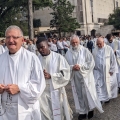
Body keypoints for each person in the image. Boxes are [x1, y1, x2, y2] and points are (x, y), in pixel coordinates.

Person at [0, 25, 46, 120]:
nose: (10, 40)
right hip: (5, 111)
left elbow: (39, 84)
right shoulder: (1, 58)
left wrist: (19, 88)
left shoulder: (31, 58)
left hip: (25, 109)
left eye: (15, 37)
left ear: (22, 40)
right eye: (8, 37)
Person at [65, 35, 103, 120]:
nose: (74, 44)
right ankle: (82, 111)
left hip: (86, 76)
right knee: (79, 94)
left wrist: (81, 67)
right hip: (75, 77)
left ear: (79, 42)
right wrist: (72, 67)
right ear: (70, 43)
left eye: (76, 42)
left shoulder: (85, 51)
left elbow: (91, 62)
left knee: (87, 93)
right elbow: (65, 65)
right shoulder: (68, 53)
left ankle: (90, 109)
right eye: (73, 42)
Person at [36, 37, 73, 120]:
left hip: (56, 91)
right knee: (45, 114)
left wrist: (51, 76)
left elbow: (66, 74)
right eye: (38, 48)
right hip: (43, 93)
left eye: (42, 47)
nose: (41, 50)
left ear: (48, 45)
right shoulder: (36, 60)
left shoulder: (58, 58)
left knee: (59, 113)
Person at [92, 37, 118, 103]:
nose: (99, 45)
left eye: (100, 44)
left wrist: (112, 69)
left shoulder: (109, 49)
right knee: (98, 86)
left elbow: (113, 60)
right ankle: (100, 99)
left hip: (107, 71)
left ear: (103, 42)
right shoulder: (95, 50)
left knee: (107, 85)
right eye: (97, 44)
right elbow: (92, 60)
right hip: (98, 71)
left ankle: (107, 98)